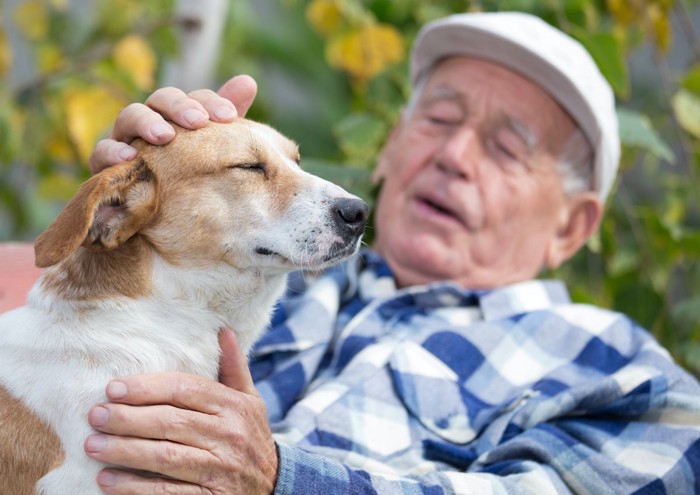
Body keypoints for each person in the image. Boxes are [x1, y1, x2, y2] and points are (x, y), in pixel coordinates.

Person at [82, 11, 700, 495]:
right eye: (437, 119)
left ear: (572, 227)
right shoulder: (250, 267)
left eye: (508, 149)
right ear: (388, 149)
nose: (453, 157)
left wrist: (282, 480)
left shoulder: (616, 367)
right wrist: (148, 195)